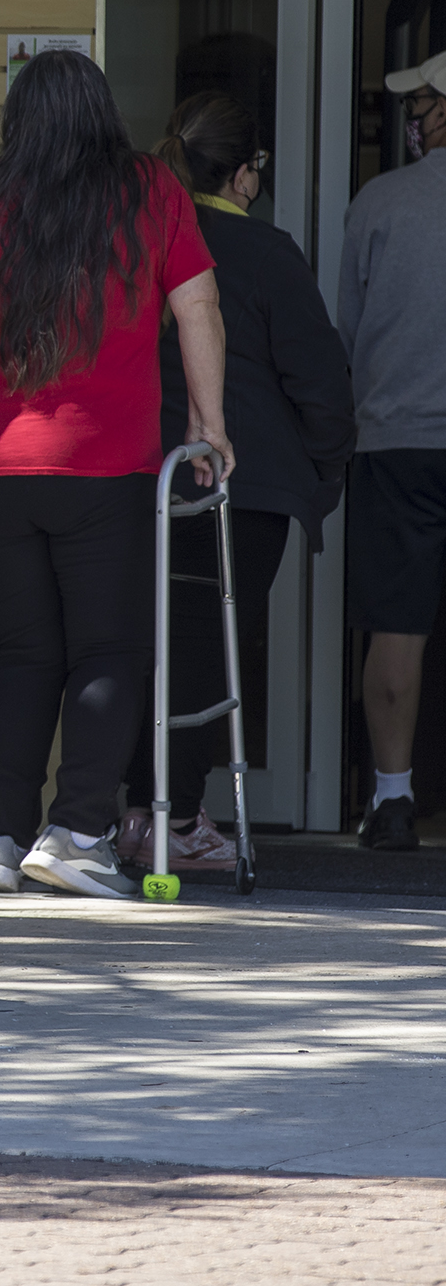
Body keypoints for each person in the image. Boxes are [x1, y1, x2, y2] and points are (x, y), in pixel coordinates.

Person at [0, 49, 229, 900]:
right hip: (104, 466)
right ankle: (79, 832)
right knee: (108, 648)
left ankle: (0, 840)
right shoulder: (149, 189)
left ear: (18, 117)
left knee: (22, 649)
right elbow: (198, 304)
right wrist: (208, 425)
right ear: (102, 112)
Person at [117, 92, 353, 871]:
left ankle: (133, 812)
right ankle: (178, 820)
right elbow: (319, 380)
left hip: (136, 474)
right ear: (246, 174)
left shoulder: (133, 238)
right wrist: (322, 472)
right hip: (239, 482)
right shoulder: (265, 251)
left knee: (139, 645)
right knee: (205, 651)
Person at [338, 52, 446, 851]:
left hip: (397, 440)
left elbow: (345, 333)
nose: (414, 115)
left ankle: (393, 798)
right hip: (401, 435)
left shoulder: (379, 202)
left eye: (425, 101)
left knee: (398, 627)